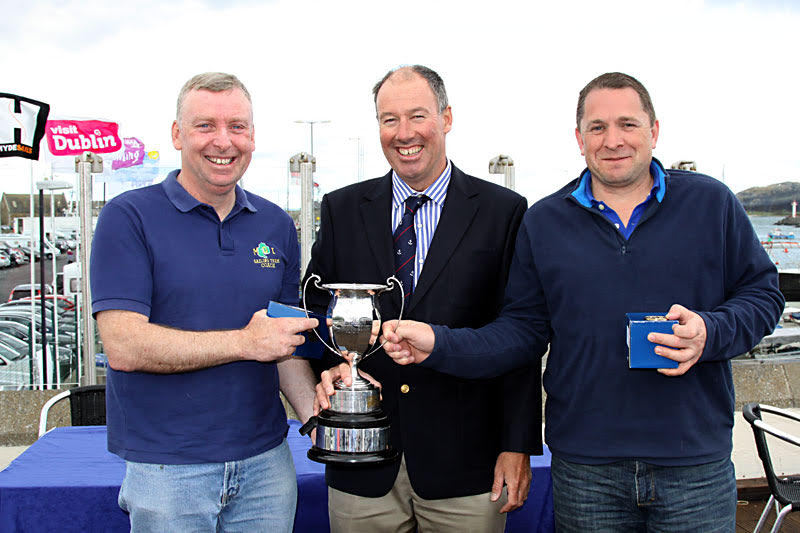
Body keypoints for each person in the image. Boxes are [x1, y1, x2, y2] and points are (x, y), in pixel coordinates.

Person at [382, 72, 784, 532]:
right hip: (587, 472)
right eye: (597, 128)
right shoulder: (545, 222)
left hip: (694, 467)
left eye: (628, 125)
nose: (613, 140)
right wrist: (438, 342)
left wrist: (711, 332)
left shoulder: (711, 203)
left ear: (654, 131)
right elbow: (521, 332)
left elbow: (763, 294)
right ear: (579, 138)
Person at [305, 65, 542, 533]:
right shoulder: (341, 209)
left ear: (447, 117)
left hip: (468, 467)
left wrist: (516, 446)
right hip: (362, 464)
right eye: (389, 119)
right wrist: (328, 369)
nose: (404, 133)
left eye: (418, 116)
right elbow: (314, 312)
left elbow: (520, 336)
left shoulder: (503, 212)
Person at [90, 72, 319, 532]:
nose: (223, 141)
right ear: (177, 134)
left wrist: (319, 419)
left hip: (267, 463)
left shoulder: (275, 224)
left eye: (237, 126)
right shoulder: (128, 216)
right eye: (205, 126)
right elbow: (125, 346)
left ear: (253, 136)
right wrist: (244, 343)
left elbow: (282, 345)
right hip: (168, 470)